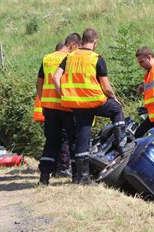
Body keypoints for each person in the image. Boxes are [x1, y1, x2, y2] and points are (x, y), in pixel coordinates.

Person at [52, 28, 126, 185]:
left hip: (77, 104)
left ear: (82, 40)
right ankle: (122, 146)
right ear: (95, 41)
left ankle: (83, 177)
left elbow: (55, 77)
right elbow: (106, 86)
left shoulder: (69, 57)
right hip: (95, 101)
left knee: (82, 138)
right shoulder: (96, 58)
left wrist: (63, 94)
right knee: (116, 109)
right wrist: (114, 97)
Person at [37, 33, 81, 185]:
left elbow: (39, 83)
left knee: (51, 141)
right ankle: (76, 177)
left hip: (49, 108)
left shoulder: (47, 58)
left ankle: (44, 178)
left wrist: (43, 101)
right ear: (72, 45)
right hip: (66, 107)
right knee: (73, 140)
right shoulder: (71, 59)